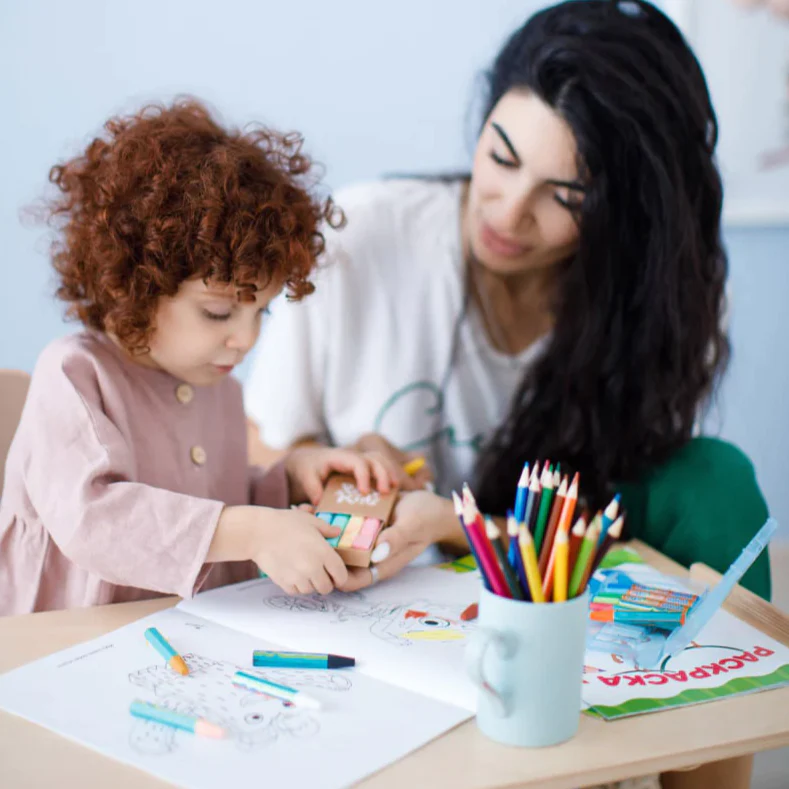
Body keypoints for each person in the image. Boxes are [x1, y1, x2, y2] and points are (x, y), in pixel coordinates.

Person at [245, 0, 770, 602]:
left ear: (624, 215)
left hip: (555, 589)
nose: (510, 211)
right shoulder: (358, 236)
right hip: (382, 593)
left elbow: (609, 528)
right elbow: (261, 444)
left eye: (566, 197)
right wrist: (341, 466)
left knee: (716, 481)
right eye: (501, 158)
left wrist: (457, 527)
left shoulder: (659, 304)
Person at [0, 99, 399, 616]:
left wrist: (289, 478)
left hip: (177, 638)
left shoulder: (219, 386)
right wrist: (250, 530)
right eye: (218, 313)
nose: (246, 339)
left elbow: (215, 496)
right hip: (58, 643)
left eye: (262, 313)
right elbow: (92, 519)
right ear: (135, 287)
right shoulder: (76, 373)